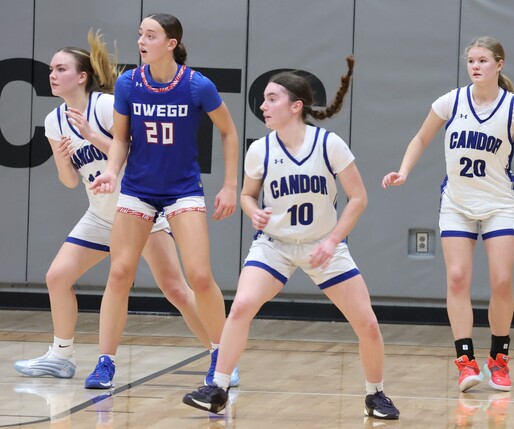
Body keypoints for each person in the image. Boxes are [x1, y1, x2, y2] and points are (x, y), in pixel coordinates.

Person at [182, 56, 400, 421]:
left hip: (322, 243)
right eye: (264, 99)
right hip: (275, 246)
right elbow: (247, 195)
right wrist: (253, 211)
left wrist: (333, 240)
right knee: (241, 306)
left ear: (295, 106)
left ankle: (375, 394)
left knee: (367, 323)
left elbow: (359, 198)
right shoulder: (260, 149)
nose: (263, 106)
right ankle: (217, 388)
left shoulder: (329, 144)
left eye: (272, 98)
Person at [13, 30, 216, 385]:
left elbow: (140, 154)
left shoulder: (105, 106)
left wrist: (93, 136)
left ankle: (220, 355)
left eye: (60, 69)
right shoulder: (55, 121)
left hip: (138, 209)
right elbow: (70, 181)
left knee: (175, 289)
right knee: (57, 277)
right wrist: (62, 159)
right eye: (51, 70)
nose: (52, 75)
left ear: (82, 76)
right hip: (100, 214)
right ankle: (61, 356)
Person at [382, 36, 514, 393]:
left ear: (499, 64)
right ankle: (465, 362)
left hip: (498, 205)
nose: (475, 66)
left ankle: (499, 359)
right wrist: (404, 171)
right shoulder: (451, 101)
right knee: (458, 278)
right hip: (457, 205)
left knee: (502, 281)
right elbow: (421, 138)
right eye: (471, 60)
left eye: (482, 60)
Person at [88, 13, 240, 390]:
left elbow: (228, 131)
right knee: (119, 273)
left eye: (150, 35)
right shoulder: (128, 83)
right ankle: (105, 362)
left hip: (182, 190)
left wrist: (230, 185)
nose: (142, 41)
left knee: (199, 276)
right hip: (138, 188)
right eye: (140, 34)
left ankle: (221, 356)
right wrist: (111, 171)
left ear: (171, 44)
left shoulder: (197, 85)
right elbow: (121, 139)